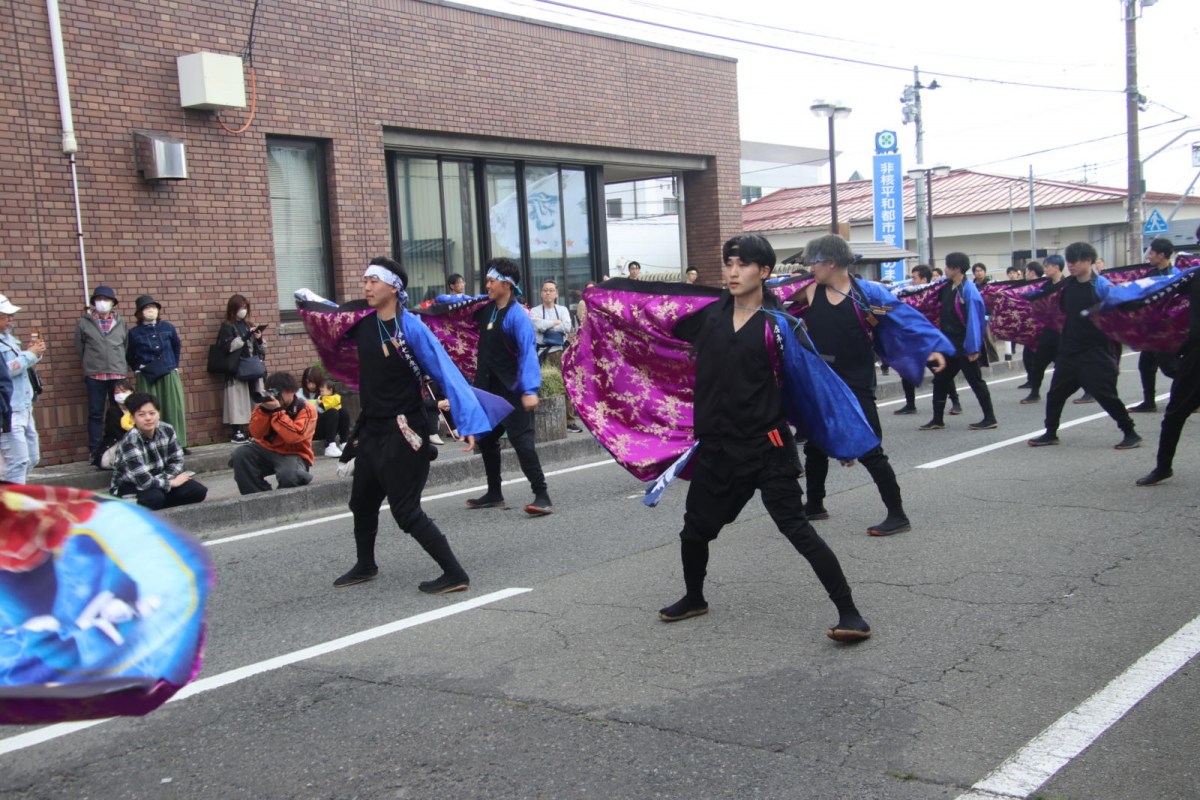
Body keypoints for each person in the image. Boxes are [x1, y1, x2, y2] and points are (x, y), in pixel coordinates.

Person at [663, 234, 871, 640]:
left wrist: (839, 438)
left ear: (764, 271)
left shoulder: (781, 326)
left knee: (797, 528)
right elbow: (652, 322)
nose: (733, 272)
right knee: (694, 530)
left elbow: (815, 385)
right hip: (717, 447)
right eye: (728, 264)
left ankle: (850, 613)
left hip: (767, 447)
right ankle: (694, 597)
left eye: (742, 264)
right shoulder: (710, 318)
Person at [318, 256, 504, 593]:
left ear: (394, 286)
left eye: (374, 280)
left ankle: (454, 573)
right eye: (365, 280)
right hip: (373, 430)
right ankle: (366, 564)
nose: (367, 286)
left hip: (406, 432)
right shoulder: (362, 324)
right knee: (361, 503)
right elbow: (329, 321)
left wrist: (468, 422)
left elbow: (444, 372)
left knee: (405, 512)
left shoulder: (410, 328)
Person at [798, 236, 951, 536]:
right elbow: (772, 301)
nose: (809, 267)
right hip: (823, 378)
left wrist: (928, 347)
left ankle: (898, 515)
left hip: (856, 379)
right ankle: (815, 504)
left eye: (813, 261)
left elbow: (904, 318)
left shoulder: (866, 293)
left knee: (869, 448)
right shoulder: (810, 290)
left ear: (830, 262)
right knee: (815, 445)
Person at [1028, 242, 1141, 450]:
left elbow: (1121, 313)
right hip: (1069, 350)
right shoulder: (1066, 286)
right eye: (1069, 261)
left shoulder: (1102, 286)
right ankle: (1051, 433)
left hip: (1095, 351)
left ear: (1088, 261)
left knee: (1105, 395)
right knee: (1055, 394)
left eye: (1075, 261)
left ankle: (1130, 433)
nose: (1070, 265)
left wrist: (1134, 339)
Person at [466, 257, 554, 515]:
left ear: (506, 284)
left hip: (513, 390)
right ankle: (494, 492)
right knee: (487, 438)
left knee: (522, 442)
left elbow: (528, 353)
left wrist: (529, 390)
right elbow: (456, 309)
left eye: (491, 281)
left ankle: (542, 495)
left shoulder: (517, 316)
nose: (487, 285)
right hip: (488, 388)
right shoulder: (487, 309)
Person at [920, 252, 998, 431]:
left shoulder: (969, 290)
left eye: (947, 266)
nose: (944, 269)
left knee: (975, 380)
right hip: (949, 344)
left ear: (956, 268)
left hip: (964, 343)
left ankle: (990, 417)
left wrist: (973, 347)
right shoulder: (945, 287)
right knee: (940, 380)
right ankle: (937, 419)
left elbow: (975, 321)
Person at [1136, 264, 1200, 485]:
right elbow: (1161, 294)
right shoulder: (1193, 277)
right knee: (1174, 413)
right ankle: (1163, 467)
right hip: (1196, 357)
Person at [109, 392, 207, 510]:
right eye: (141, 415)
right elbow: (143, 480)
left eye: (152, 413)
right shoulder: (130, 441)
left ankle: (160, 505)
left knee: (198, 491)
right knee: (154, 498)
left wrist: (164, 480)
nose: (148, 418)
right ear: (133, 418)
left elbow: (177, 461)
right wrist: (170, 483)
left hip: (160, 478)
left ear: (158, 414)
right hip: (132, 485)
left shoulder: (167, 429)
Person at [229, 372, 317, 494]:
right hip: (266, 449)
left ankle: (284, 499)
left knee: (290, 476)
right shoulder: (264, 407)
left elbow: (294, 437)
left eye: (280, 393)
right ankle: (258, 497)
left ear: (292, 391)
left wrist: (278, 411)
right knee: (241, 454)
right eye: (273, 392)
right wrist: (264, 412)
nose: (275, 397)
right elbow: (256, 433)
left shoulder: (305, 408)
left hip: (294, 452)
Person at [894, 265, 961, 416]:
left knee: (941, 373)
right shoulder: (909, 295)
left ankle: (956, 402)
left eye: (914, 277)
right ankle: (910, 404)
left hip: (929, 341)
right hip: (912, 340)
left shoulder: (933, 295)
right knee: (906, 372)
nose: (912, 281)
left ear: (924, 279)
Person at [126, 295, 188, 452]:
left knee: (173, 407)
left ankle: (178, 443)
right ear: (140, 313)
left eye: (153, 307)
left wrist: (173, 364)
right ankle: (152, 445)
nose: (151, 310)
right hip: (147, 375)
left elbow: (176, 345)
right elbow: (129, 354)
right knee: (149, 409)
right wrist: (138, 368)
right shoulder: (134, 333)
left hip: (168, 371)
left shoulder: (167, 327)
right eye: (146, 308)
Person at [74, 285, 128, 461]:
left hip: (117, 374)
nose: (103, 303)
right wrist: (90, 363)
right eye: (99, 299)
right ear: (94, 303)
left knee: (119, 411)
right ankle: (95, 450)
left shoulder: (121, 322)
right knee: (95, 413)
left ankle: (120, 444)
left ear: (113, 303)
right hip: (94, 375)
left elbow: (125, 346)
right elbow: (80, 347)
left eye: (107, 299)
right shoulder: (84, 322)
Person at [1129, 238, 1181, 413]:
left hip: (1169, 330)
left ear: (1161, 255)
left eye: (1151, 253)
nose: (1149, 256)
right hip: (1152, 329)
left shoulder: (1177, 275)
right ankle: (1149, 402)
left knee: (1170, 368)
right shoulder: (1150, 275)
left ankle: (1194, 394)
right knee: (1146, 365)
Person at [0, 294, 45, 483]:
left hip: (24, 406)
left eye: (11, 315)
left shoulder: (8, 339)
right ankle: (12, 506)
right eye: (6, 315)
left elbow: (21, 363)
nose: (11, 319)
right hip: (8, 409)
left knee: (31, 458)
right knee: (18, 461)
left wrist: (34, 353)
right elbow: (6, 370)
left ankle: (9, 495)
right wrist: (29, 355)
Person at [530, 279, 582, 434]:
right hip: (540, 353)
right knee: (540, 386)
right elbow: (537, 325)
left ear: (556, 293)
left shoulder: (562, 309)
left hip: (559, 351)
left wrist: (547, 325)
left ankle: (569, 421)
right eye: (545, 290)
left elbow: (567, 326)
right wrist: (554, 323)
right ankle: (540, 421)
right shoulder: (535, 310)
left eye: (551, 290)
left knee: (564, 385)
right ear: (541, 293)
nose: (548, 293)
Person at [217, 294, 266, 443]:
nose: (243, 311)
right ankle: (237, 431)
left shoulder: (248, 324)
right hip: (237, 367)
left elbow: (262, 348)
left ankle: (254, 429)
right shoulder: (227, 326)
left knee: (255, 398)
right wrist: (245, 336)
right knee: (237, 399)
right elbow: (228, 347)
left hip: (253, 365)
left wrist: (259, 338)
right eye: (240, 308)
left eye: (245, 308)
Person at [1020, 255, 1065, 404]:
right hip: (1048, 330)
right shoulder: (1046, 286)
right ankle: (1034, 392)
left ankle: (1089, 391)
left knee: (1069, 364)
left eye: (1047, 266)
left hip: (1065, 331)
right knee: (1039, 362)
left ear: (1056, 267)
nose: (1045, 269)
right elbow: (1036, 299)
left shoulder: (1068, 284)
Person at [94, 378, 135, 468]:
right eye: (117, 392)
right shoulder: (113, 411)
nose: (120, 395)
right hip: (117, 444)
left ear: (132, 392)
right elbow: (119, 434)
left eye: (124, 391)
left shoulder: (136, 410)